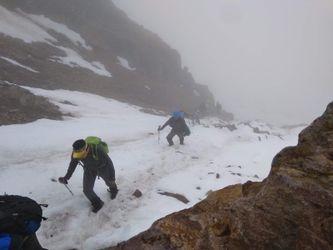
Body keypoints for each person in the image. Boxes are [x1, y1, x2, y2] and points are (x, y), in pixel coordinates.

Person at [58, 139, 118, 213]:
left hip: (102, 168)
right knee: (87, 190)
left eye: (80, 154)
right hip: (89, 169)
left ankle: (114, 190)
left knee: (109, 181)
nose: (79, 157)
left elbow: (109, 163)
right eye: (77, 154)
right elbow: (72, 165)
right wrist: (66, 177)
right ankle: (98, 203)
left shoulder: (98, 151)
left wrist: (112, 176)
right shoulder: (76, 152)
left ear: (85, 149)